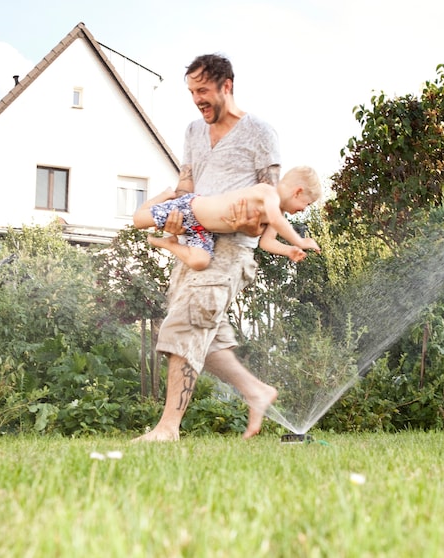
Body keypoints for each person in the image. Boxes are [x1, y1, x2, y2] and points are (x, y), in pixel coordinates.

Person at [133, 53, 284, 442]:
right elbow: (187, 186)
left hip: (231, 248)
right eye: (191, 92)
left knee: (186, 323)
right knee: (208, 335)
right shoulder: (193, 132)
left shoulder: (260, 133)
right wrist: (174, 217)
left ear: (226, 86)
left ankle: (168, 427)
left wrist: (252, 223)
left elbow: (274, 199)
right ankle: (256, 391)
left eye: (203, 90)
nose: (197, 99)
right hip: (194, 239)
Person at [133, 166, 322, 270]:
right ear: (298, 192)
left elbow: (267, 243)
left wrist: (289, 250)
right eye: (307, 204)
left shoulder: (278, 214)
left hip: (202, 230)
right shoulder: (268, 193)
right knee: (138, 221)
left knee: (200, 262)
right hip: (189, 209)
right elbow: (276, 220)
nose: (303, 209)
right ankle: (165, 195)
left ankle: (170, 244)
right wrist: (300, 240)